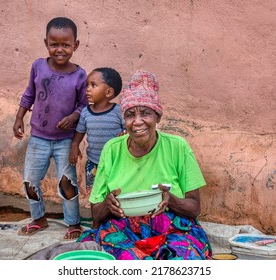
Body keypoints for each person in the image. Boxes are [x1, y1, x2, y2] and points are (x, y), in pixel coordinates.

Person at [77, 70, 213, 260]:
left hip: (172, 227)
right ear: (125, 121)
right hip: (122, 228)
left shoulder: (177, 147)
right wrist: (109, 204)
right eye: (130, 115)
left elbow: (194, 207)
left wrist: (169, 200)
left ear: (157, 117)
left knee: (182, 258)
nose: (138, 122)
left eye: (146, 113)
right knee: (121, 260)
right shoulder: (112, 149)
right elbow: (96, 215)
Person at [13, 17, 88, 240]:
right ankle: (39, 218)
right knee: (30, 181)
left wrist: (74, 116)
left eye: (66, 44)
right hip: (38, 137)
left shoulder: (80, 75)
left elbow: (84, 105)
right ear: (46, 43)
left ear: (76, 45)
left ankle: (73, 223)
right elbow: (29, 94)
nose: (60, 49)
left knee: (68, 182)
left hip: (65, 140)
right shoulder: (38, 66)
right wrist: (19, 118)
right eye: (54, 44)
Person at [69, 67, 126, 198]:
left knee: (116, 194)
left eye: (93, 85)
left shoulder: (118, 111)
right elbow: (80, 131)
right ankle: (97, 218)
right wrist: (74, 145)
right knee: (95, 195)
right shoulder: (85, 112)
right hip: (93, 163)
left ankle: (113, 218)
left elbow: (127, 130)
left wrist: (125, 136)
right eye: (87, 85)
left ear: (109, 92)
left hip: (117, 163)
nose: (87, 89)